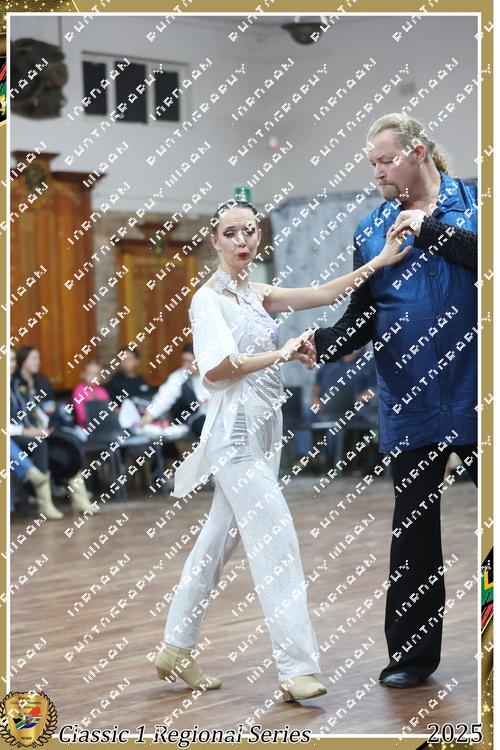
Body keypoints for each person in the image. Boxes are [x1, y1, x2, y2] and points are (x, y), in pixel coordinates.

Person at [153, 198, 409, 702]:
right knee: (277, 540)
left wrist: (379, 261)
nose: (242, 240)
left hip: (265, 435)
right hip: (236, 437)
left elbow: (324, 292)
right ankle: (296, 669)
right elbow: (217, 369)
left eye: (249, 230)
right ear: (214, 240)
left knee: (214, 546)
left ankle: (175, 647)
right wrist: (282, 353)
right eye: (231, 233)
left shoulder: (257, 294)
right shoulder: (208, 300)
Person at [312, 113, 478, 689]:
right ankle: (410, 657)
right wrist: (325, 344)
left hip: (479, 393)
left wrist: (429, 231)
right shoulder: (372, 229)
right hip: (411, 398)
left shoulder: (477, 205)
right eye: (372, 164)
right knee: (414, 533)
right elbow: (364, 313)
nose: (377, 172)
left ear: (418, 152)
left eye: (385, 160)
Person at [10, 346, 97, 519]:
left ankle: (80, 499)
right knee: (40, 444)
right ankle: (45, 504)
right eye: (34, 358)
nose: (38, 362)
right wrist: (28, 430)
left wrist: (45, 426)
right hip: (16, 435)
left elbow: (41, 409)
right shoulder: (13, 383)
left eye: (12, 360)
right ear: (23, 361)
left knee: (69, 441)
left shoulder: (33, 382)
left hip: (37, 427)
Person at [142, 344, 209, 439]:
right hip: (195, 418)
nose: (186, 365)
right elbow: (165, 396)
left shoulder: (210, 373)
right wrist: (150, 414)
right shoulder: (180, 376)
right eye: (184, 361)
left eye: (189, 361)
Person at [72, 360, 111, 429]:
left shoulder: (102, 391)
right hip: (85, 428)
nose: (94, 377)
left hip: (104, 426)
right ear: (83, 375)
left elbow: (109, 410)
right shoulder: (79, 391)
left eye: (97, 374)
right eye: (90, 374)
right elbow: (82, 417)